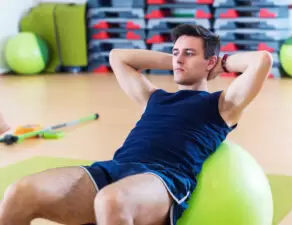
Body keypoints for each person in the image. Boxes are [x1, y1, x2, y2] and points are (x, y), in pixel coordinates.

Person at [0, 24, 272, 225]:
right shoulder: (154, 97)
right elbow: (118, 57)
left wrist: (220, 64)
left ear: (209, 61)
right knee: (20, 191)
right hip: (113, 170)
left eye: (189, 53)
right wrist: (182, 62)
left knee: (111, 201)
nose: (178, 58)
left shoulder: (223, 105)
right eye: (175, 52)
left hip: (162, 180)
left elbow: (261, 60)